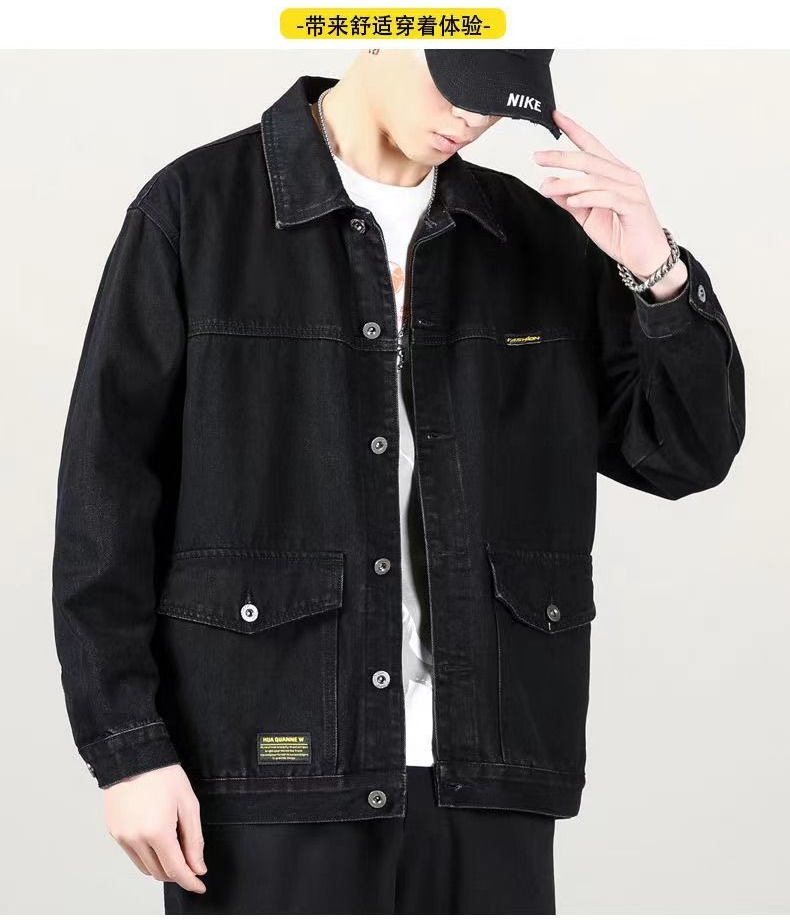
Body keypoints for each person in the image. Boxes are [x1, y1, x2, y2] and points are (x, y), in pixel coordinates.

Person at [52, 49, 746, 914]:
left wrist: (658, 271)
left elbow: (683, 452)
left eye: (495, 104)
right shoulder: (197, 211)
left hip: (485, 770)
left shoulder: (533, 240)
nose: (471, 119)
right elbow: (104, 498)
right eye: (457, 85)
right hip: (269, 768)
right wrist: (129, 748)